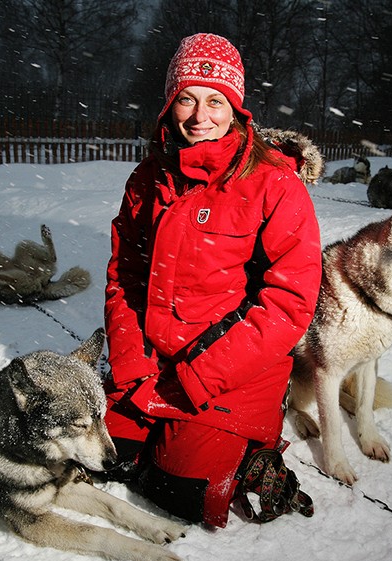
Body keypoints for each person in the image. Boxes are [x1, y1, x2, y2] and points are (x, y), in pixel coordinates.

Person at [103, 32, 323, 528]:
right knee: (105, 454)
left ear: (236, 108)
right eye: (186, 99)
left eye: (215, 101)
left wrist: (202, 375)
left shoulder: (274, 183)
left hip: (229, 367)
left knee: (181, 491)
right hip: (154, 358)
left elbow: (289, 304)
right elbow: (125, 279)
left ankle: (250, 452)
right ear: (168, 105)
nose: (200, 116)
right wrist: (131, 364)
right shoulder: (146, 179)